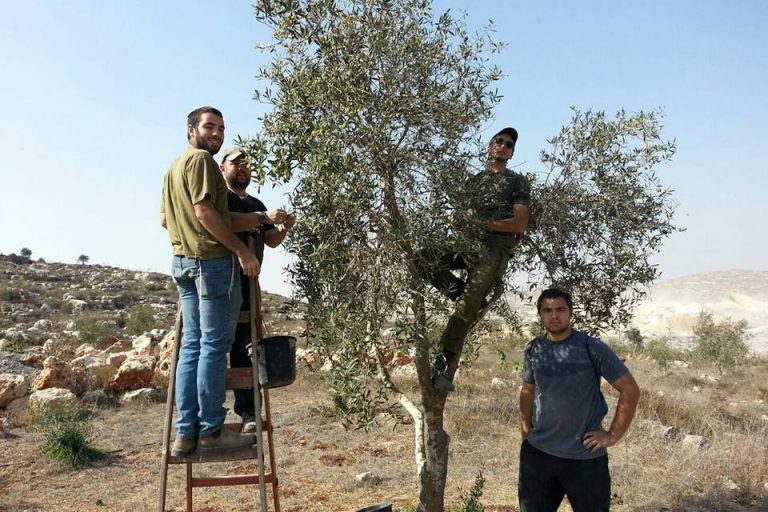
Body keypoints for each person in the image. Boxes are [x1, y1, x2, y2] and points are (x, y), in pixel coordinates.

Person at [160, 106, 279, 456]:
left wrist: (259, 217)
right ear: (190, 129)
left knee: (192, 348)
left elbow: (168, 219)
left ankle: (185, 435)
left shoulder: (172, 169)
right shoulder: (201, 162)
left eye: (221, 128)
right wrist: (242, 252)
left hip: (184, 263)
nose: (217, 133)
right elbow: (206, 212)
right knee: (213, 347)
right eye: (209, 126)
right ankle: (211, 430)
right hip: (211, 265)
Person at [426, 127, 531, 391]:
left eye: (509, 144)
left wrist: (481, 223)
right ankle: (466, 295)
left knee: (464, 308)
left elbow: (519, 223)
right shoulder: (473, 182)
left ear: (512, 153)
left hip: (495, 248)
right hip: (469, 244)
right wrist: (463, 223)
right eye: (499, 141)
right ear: (490, 145)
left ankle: (441, 365)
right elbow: (459, 221)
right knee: (423, 258)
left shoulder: (517, 182)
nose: (503, 146)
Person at [518, 288, 641, 512]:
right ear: (540, 315)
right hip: (538, 455)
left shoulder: (590, 347)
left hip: (584, 458)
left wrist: (613, 435)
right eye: (547, 310)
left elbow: (630, 390)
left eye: (560, 309)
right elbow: (527, 390)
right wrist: (526, 433)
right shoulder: (533, 349)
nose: (554, 315)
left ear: (570, 313)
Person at [218, 147, 296, 433]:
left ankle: (249, 412)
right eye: (236, 163)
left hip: (249, 284)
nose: (242, 168)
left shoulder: (255, 201)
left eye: (246, 164)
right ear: (222, 169)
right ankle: (210, 415)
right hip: (221, 282)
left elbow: (271, 241)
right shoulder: (221, 199)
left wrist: (285, 227)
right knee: (216, 348)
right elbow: (225, 221)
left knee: (245, 348)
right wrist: (263, 217)